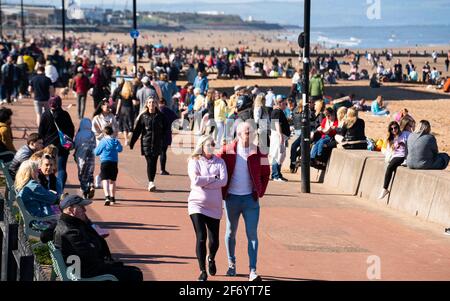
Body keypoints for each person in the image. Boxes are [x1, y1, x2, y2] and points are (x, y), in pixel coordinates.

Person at [217, 121, 270, 281]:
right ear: (239, 134)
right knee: (230, 232)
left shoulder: (261, 153)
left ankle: (253, 270)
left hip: (250, 200)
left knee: (252, 235)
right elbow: (214, 164)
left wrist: (260, 191)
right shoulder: (227, 151)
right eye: (248, 132)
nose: (252, 134)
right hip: (231, 199)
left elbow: (266, 173)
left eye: (253, 131)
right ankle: (231, 264)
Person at [53, 194, 143, 281]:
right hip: (85, 272)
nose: (85, 210)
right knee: (134, 274)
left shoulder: (70, 224)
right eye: (81, 207)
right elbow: (90, 253)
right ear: (71, 210)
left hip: (83, 268)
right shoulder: (70, 230)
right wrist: (95, 243)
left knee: (133, 271)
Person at [187, 135, 228, 281]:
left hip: (214, 205)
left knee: (214, 241)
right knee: (201, 237)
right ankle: (202, 270)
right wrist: (212, 178)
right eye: (208, 144)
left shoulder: (220, 162)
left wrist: (206, 181)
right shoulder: (194, 160)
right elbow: (196, 180)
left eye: (213, 144)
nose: (211, 146)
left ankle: (211, 258)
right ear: (202, 146)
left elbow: (223, 181)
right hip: (196, 204)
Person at [130, 96, 167, 192]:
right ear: (147, 104)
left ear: (156, 104)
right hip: (146, 142)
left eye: (153, 102)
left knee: (154, 163)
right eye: (149, 102)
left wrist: (164, 140)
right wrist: (132, 142)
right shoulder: (143, 116)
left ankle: (151, 181)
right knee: (150, 162)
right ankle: (151, 182)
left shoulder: (161, 116)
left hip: (157, 143)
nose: (151, 104)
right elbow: (137, 130)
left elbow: (166, 129)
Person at [38, 96, 75, 189]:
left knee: (48, 167)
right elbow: (71, 129)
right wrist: (69, 139)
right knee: (61, 168)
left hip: (48, 146)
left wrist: (42, 143)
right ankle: (60, 189)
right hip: (63, 145)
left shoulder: (45, 115)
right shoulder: (65, 114)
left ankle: (50, 188)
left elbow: (41, 132)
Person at [378, 121, 411, 199]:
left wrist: (404, 144)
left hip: (403, 155)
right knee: (390, 167)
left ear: (398, 127)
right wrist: (394, 146)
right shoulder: (391, 138)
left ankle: (384, 189)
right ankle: (385, 189)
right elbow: (387, 149)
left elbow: (413, 140)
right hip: (395, 156)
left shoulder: (405, 134)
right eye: (391, 129)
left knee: (389, 167)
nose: (394, 130)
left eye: (395, 127)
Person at [95, 126, 123, 206]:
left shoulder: (103, 141)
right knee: (112, 181)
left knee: (105, 180)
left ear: (104, 133)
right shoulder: (115, 141)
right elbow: (120, 149)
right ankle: (113, 198)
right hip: (114, 163)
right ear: (112, 132)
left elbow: (97, 152)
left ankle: (107, 197)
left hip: (105, 162)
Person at [269, 96, 290, 182]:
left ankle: (278, 174)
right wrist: (280, 135)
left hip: (279, 136)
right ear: (280, 103)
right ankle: (275, 175)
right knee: (277, 155)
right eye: (285, 103)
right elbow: (276, 124)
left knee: (281, 155)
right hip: (277, 136)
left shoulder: (279, 111)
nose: (286, 105)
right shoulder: (277, 111)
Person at [74, 118, 97, 199]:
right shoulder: (92, 134)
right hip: (91, 156)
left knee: (82, 174)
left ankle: (85, 190)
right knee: (90, 173)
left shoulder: (79, 134)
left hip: (81, 157)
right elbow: (95, 145)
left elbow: (75, 145)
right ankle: (91, 185)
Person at [158, 98, 177, 175]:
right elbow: (176, 119)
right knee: (163, 152)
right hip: (166, 133)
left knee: (154, 153)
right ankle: (162, 169)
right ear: (165, 103)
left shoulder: (156, 110)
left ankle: (152, 168)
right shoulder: (169, 111)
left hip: (157, 134)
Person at [115, 81, 134, 146]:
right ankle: (129, 136)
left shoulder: (121, 93)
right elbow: (134, 102)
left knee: (124, 125)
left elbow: (119, 103)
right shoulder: (131, 94)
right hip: (129, 109)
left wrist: (117, 112)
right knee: (131, 125)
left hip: (123, 109)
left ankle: (126, 140)